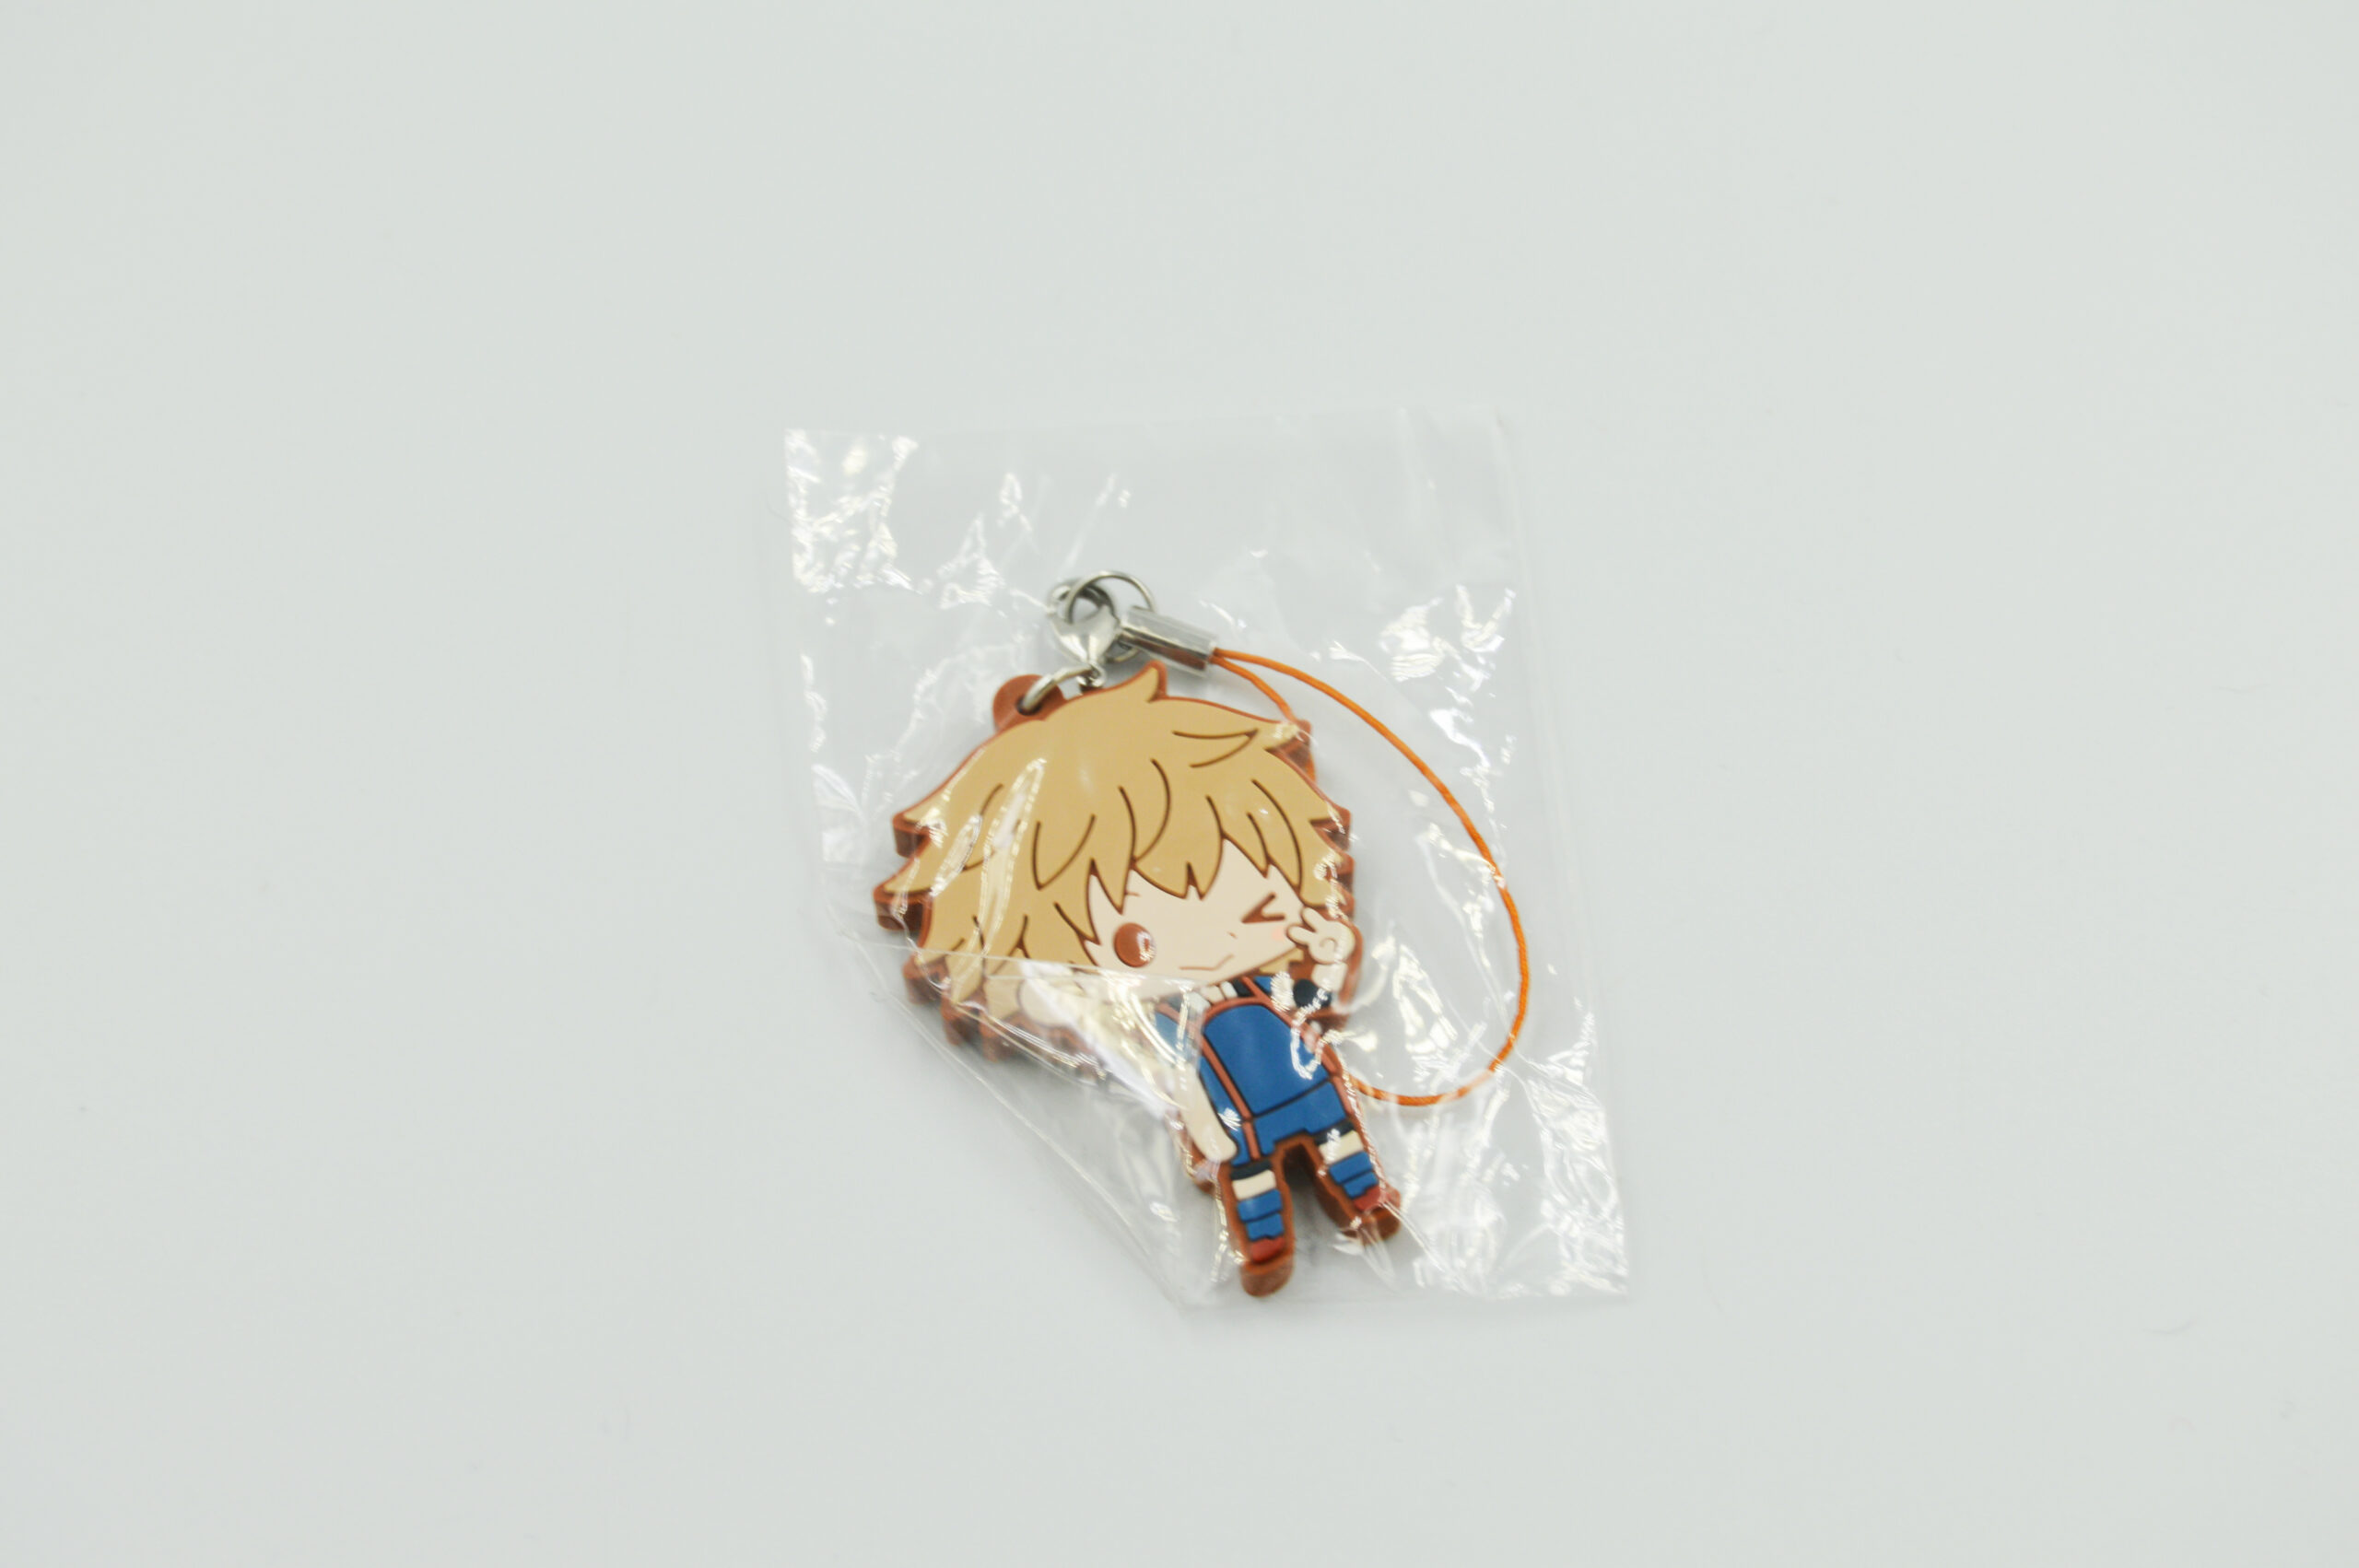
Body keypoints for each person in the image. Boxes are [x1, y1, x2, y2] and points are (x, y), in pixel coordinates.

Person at [875, 662, 1401, 1295]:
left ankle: (1365, 1195)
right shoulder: (1161, 1020)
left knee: (1337, 1138)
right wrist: (1201, 1125)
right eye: (1136, 940)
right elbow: (1174, 1076)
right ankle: (1264, 1237)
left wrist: (1331, 952)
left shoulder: (1263, 984)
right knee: (1249, 1173)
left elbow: (1310, 997)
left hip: (1308, 1082)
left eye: (1257, 902)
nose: (1214, 937)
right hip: (1235, 1119)